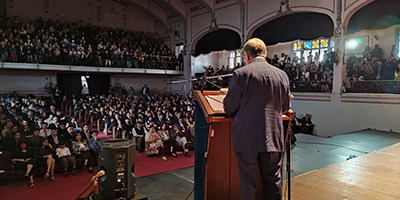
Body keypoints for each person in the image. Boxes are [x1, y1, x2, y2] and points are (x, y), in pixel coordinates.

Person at [223, 38, 291, 200]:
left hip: (246, 137)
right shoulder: (282, 75)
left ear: (246, 55)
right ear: (265, 56)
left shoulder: (240, 74)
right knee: (273, 180)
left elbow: (229, 108)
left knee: (248, 183)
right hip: (273, 136)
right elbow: (285, 107)